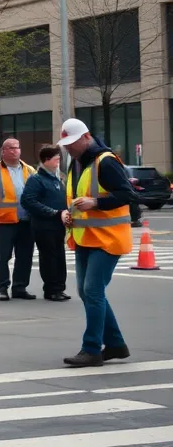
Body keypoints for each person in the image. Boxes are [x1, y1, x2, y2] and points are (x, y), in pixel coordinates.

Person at [57, 118, 136, 367]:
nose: (68, 148)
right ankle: (115, 344)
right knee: (87, 291)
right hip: (86, 238)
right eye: (65, 144)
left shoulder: (106, 161)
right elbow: (74, 197)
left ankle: (91, 348)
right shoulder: (77, 163)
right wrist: (65, 213)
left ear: (86, 137)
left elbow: (127, 195)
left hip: (108, 239)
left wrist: (96, 203)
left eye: (71, 143)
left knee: (91, 290)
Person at [0, 138, 36, 300]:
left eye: (17, 147)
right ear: (3, 151)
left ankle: (20, 287)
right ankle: (2, 288)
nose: (14, 150)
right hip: (4, 222)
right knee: (4, 256)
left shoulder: (29, 170)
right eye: (10, 148)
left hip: (26, 221)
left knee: (25, 256)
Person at [20, 145, 71, 301]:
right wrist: (54, 213)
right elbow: (28, 201)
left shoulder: (57, 179)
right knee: (49, 257)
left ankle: (59, 287)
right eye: (56, 159)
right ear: (46, 160)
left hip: (58, 225)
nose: (58, 162)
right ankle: (51, 289)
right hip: (44, 226)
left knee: (59, 257)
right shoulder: (36, 179)